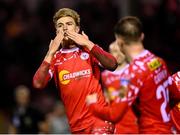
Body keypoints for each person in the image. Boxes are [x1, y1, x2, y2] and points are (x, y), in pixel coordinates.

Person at [86, 16, 180, 133]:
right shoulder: (159, 62)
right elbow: (175, 93)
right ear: (142, 36)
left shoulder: (130, 75)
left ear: (120, 42)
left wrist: (92, 104)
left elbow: (114, 115)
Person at [33, 8, 117, 134]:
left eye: (69, 24)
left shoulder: (89, 51)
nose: (65, 28)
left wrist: (88, 43)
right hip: (76, 127)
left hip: (100, 122)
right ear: (57, 32)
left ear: (77, 29)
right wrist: (50, 52)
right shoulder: (55, 58)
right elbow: (38, 83)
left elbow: (113, 64)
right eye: (60, 26)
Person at [101, 41, 138, 134]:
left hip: (135, 120)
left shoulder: (134, 70)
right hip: (118, 123)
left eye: (119, 51)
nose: (117, 54)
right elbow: (106, 98)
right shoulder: (104, 75)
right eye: (113, 51)